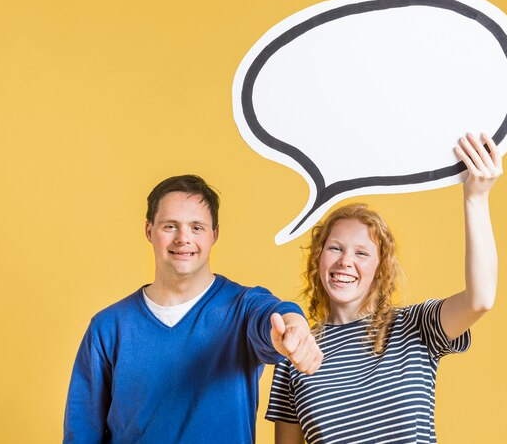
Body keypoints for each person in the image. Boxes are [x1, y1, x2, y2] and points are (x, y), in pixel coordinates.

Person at [266, 133, 502, 444]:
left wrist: (476, 198)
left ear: (381, 269)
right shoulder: (294, 354)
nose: (345, 262)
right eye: (335, 248)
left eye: (362, 253)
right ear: (318, 258)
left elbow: (480, 300)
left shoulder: (415, 326)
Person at [64, 174, 323, 443]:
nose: (183, 238)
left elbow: (276, 315)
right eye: (170, 226)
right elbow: (81, 433)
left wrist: (295, 327)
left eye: (197, 227)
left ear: (215, 234)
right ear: (148, 230)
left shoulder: (242, 308)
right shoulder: (108, 327)